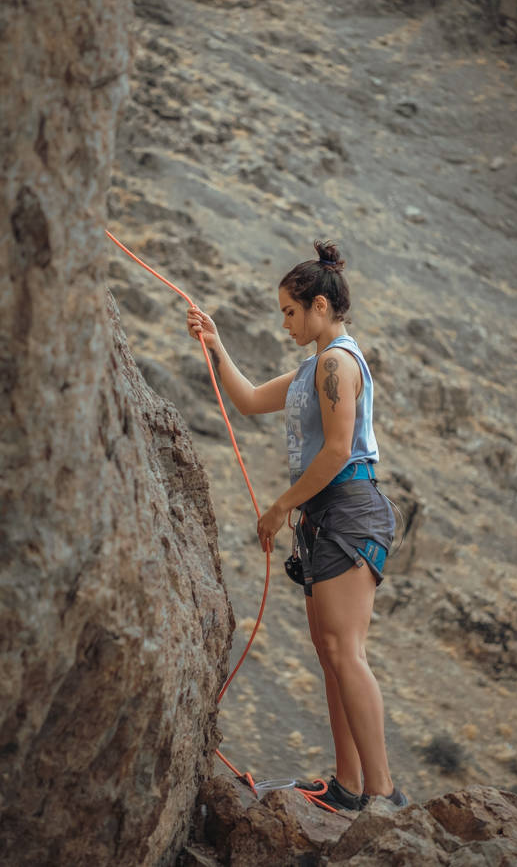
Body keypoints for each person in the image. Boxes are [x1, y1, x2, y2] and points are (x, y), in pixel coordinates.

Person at [187, 240, 408, 811]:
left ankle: (382, 795)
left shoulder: (336, 362)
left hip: (348, 511)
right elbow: (251, 400)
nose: (285, 323)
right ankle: (348, 785)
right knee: (330, 649)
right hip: (327, 517)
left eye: (290, 311)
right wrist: (215, 344)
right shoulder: (317, 365)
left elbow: (337, 451)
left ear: (318, 306)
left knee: (344, 649)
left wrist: (281, 506)